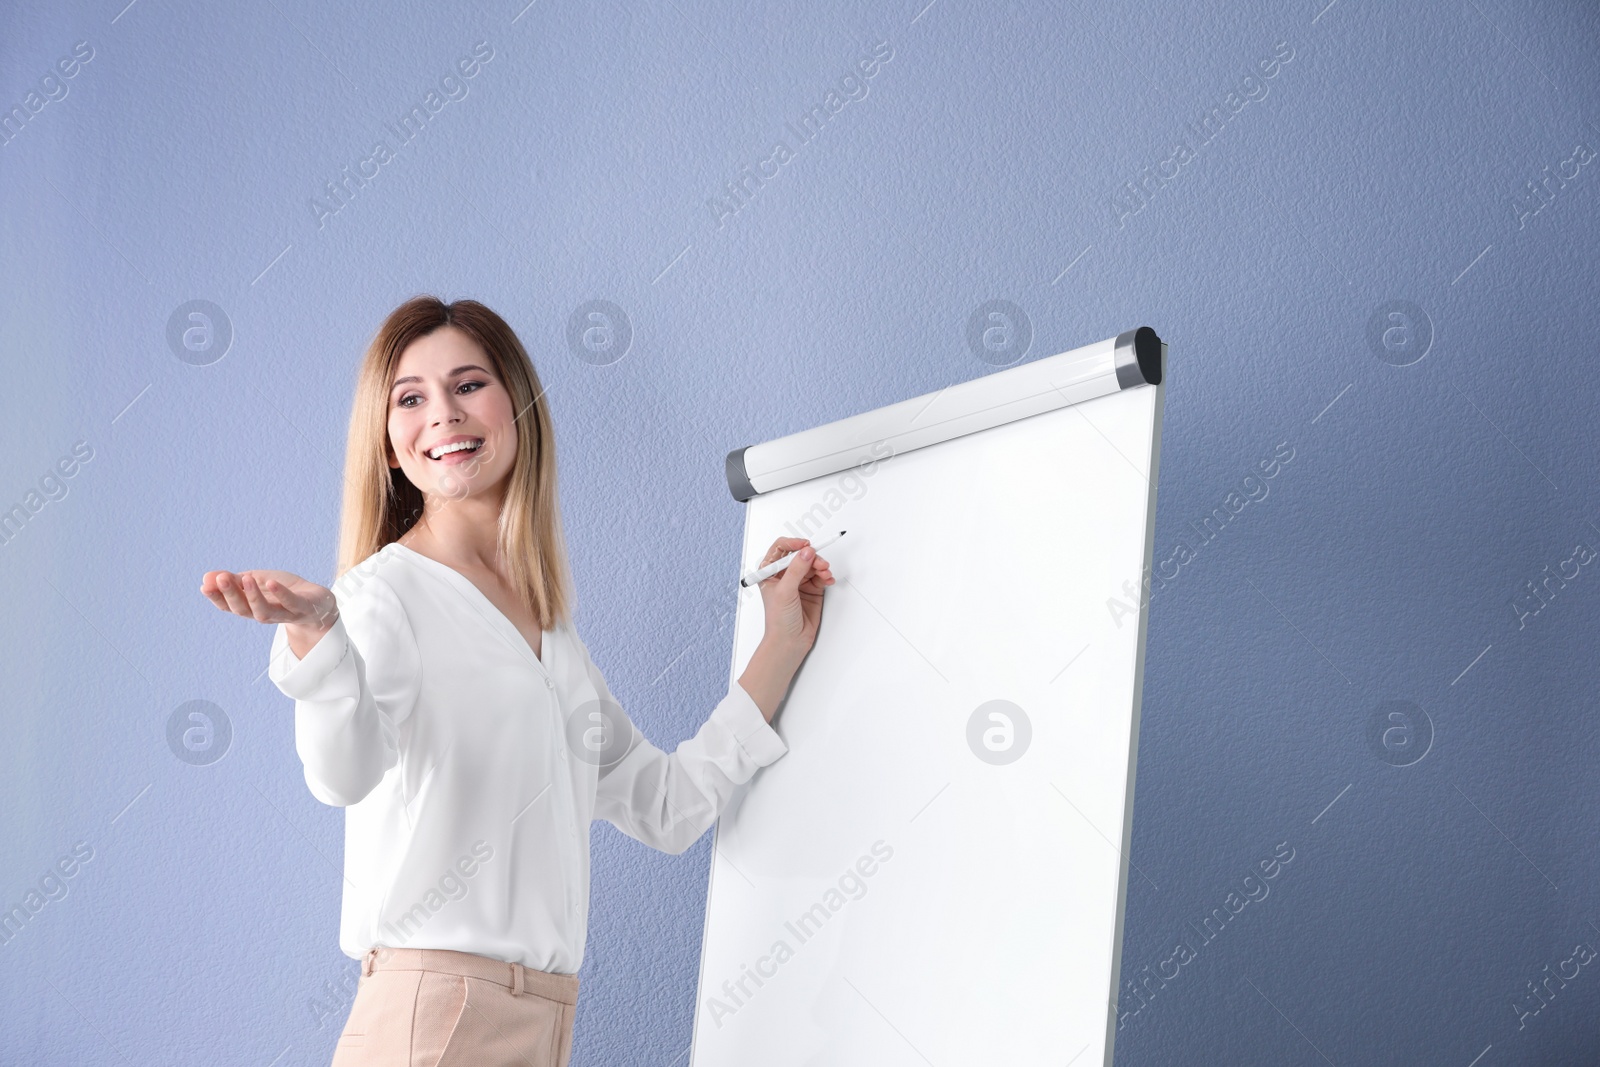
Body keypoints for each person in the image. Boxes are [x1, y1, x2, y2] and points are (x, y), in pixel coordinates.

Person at [200, 295, 832, 1066]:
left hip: (544, 1020)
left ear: (518, 409)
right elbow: (342, 774)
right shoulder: (378, 596)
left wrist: (781, 646)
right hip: (435, 1015)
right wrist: (316, 635)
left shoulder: (552, 633)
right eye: (410, 398)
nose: (444, 413)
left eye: (469, 384)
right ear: (390, 447)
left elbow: (666, 807)